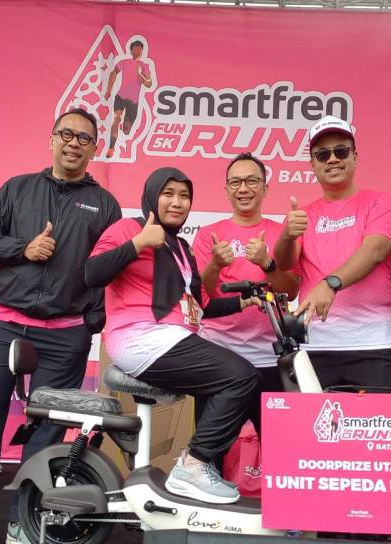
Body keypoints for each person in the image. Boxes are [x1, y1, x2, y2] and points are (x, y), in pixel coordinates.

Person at [0, 107, 122, 544]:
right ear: (51, 140)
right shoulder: (17, 188)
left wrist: (89, 323)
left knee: (47, 426)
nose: (73, 143)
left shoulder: (105, 205)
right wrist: (24, 249)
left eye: (84, 138)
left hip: (66, 331)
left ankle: (25, 518)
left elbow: (109, 268)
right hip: (5, 324)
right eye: (66, 134)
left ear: (94, 149)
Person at [86, 167, 261, 505]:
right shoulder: (129, 228)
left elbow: (201, 306)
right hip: (139, 337)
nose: (177, 203)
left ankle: (206, 470)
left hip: (172, 336)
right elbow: (92, 273)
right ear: (152, 196)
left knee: (237, 383)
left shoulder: (181, 247)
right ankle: (193, 465)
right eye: (168, 194)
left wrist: (244, 301)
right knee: (242, 377)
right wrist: (139, 243)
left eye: (184, 196)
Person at [274, 115, 391, 390]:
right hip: (316, 345)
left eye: (341, 151)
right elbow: (284, 263)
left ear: (355, 156)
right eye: (322, 154)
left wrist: (330, 283)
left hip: (374, 343)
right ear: (312, 164)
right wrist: (287, 234)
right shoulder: (303, 215)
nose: (332, 159)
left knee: (380, 419)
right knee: (315, 421)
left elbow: (374, 250)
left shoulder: (381, 202)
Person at [192, 152, 299, 395]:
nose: (243, 189)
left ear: (265, 188)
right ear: (226, 190)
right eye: (235, 182)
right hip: (218, 353)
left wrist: (267, 263)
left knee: (272, 422)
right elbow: (200, 297)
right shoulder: (208, 234)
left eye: (252, 181)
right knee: (218, 423)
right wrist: (215, 265)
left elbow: (291, 292)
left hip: (271, 355)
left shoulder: (282, 234)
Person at [103, 39, 155, 159]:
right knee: (116, 119)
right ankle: (111, 147)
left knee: (126, 130)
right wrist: (108, 90)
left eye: (139, 49)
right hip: (121, 96)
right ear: (131, 51)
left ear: (142, 51)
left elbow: (149, 84)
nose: (137, 51)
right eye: (135, 49)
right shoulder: (124, 62)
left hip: (133, 101)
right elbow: (113, 73)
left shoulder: (144, 65)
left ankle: (125, 126)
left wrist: (140, 75)